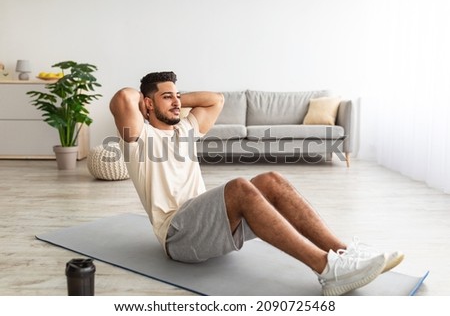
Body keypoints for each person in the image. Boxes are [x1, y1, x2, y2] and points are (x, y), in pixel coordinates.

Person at [109, 71, 404, 296]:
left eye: (178, 96)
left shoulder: (186, 129)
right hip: (179, 236)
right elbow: (123, 97)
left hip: (206, 228)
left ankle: (343, 254)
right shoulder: (138, 138)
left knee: (271, 180)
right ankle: (327, 270)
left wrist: (174, 98)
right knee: (238, 186)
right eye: (167, 97)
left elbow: (216, 100)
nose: (177, 102)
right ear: (146, 103)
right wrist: (150, 104)